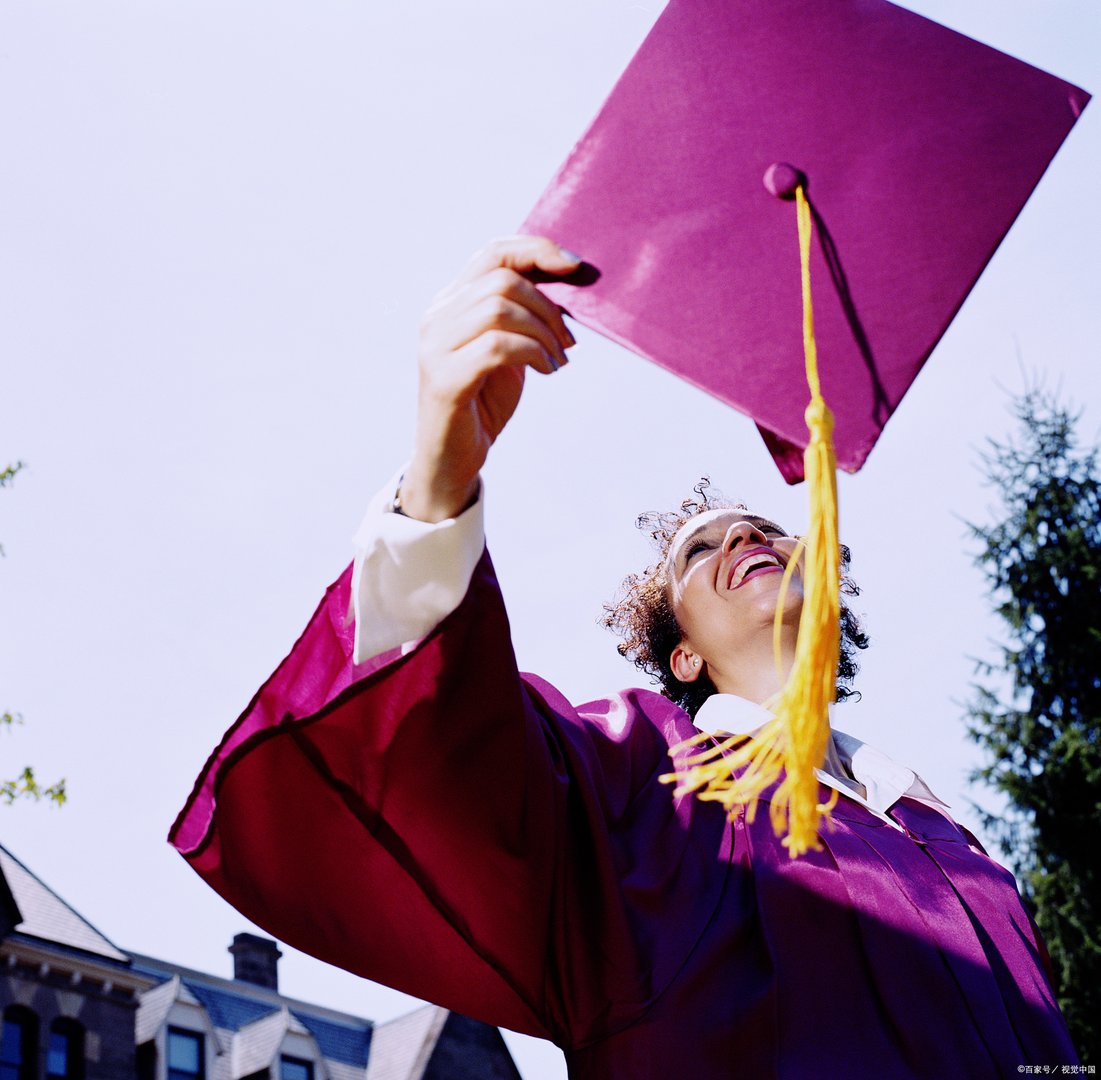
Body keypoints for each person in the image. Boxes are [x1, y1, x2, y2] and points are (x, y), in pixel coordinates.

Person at [171, 236, 1078, 1077]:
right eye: (700, 548)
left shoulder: (955, 845)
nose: (743, 539)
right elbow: (447, 752)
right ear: (680, 658)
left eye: (763, 528)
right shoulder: (640, 788)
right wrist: (438, 480)